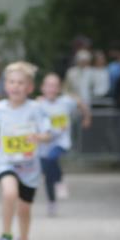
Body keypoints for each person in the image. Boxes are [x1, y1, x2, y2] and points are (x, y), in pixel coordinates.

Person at [0, 62, 51, 240]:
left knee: (24, 210)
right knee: (9, 193)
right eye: (12, 82)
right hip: (5, 162)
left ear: (30, 87)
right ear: (6, 85)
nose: (16, 86)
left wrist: (38, 137)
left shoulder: (36, 108)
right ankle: (6, 235)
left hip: (29, 167)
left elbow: (48, 134)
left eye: (21, 83)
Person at [38, 71, 87, 215]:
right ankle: (52, 202)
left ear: (59, 88)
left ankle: (59, 180)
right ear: (42, 88)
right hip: (44, 144)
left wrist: (87, 117)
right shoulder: (38, 105)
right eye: (48, 85)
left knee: (52, 158)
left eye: (54, 86)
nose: (51, 89)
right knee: (47, 175)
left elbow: (80, 103)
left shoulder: (66, 102)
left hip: (61, 142)